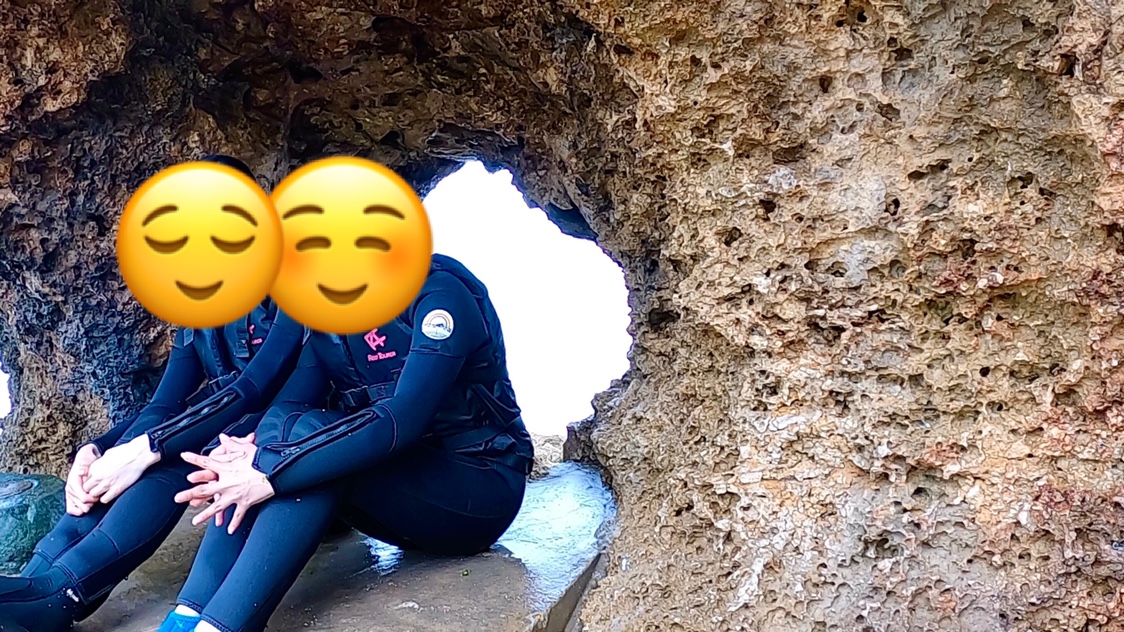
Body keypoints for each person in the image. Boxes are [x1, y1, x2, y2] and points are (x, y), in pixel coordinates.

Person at [0, 156, 307, 632]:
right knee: (141, 449)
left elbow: (253, 388)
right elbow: (164, 403)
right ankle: (37, 578)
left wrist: (147, 449)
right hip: (227, 436)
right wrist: (100, 449)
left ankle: (62, 593)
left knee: (171, 457)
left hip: (289, 459)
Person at [159, 253, 534, 632]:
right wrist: (238, 455)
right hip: (402, 499)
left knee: (311, 452)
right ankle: (189, 614)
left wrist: (270, 473)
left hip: (479, 491)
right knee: (288, 428)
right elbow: (286, 410)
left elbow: (401, 419)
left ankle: (220, 626)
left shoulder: (438, 292)